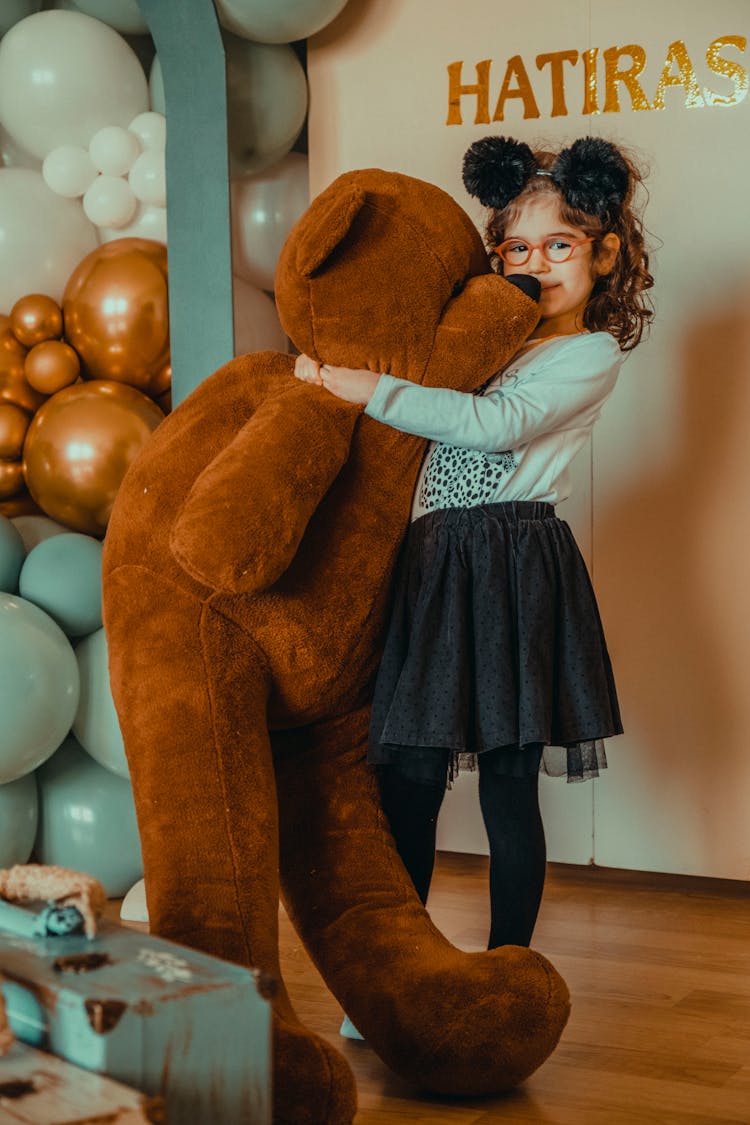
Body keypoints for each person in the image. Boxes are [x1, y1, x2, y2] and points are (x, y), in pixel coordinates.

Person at [294, 135, 653, 979]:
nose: (537, 262)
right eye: (517, 247)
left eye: (559, 245)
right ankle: (399, 976)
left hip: (508, 562)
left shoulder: (586, 354)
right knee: (409, 783)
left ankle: (504, 972)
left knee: (506, 782)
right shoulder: (484, 341)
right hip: (433, 564)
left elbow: (492, 427)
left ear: (601, 254)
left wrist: (364, 386)